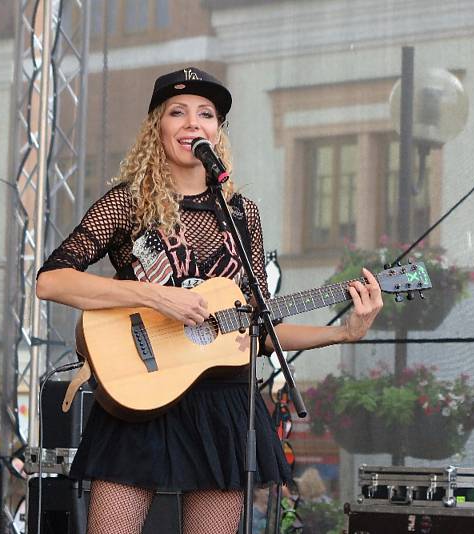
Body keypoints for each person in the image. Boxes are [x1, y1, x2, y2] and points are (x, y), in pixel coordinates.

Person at [36, 66, 384, 534]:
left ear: (217, 131)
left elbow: (256, 328)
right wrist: (155, 297)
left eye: (206, 114)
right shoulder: (128, 203)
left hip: (222, 404)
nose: (192, 123)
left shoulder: (242, 214)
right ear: (156, 126)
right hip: (140, 391)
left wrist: (344, 331)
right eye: (177, 112)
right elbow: (52, 281)